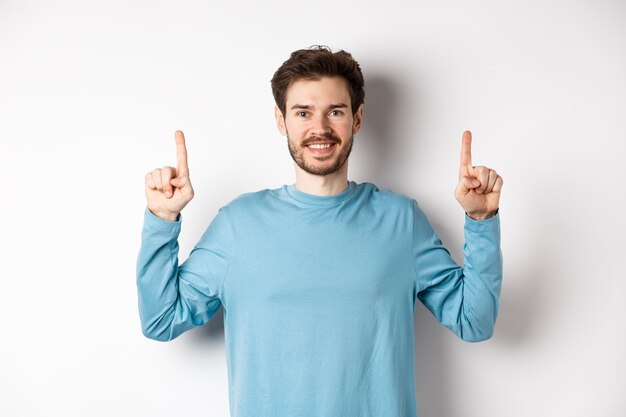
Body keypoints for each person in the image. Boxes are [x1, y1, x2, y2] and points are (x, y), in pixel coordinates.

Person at [136, 46, 503, 417]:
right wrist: (161, 220)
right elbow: (161, 319)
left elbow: (474, 321)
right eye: (303, 112)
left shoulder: (401, 221)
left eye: (335, 112)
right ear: (281, 121)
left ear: (357, 119)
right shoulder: (239, 225)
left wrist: (482, 222)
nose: (320, 128)